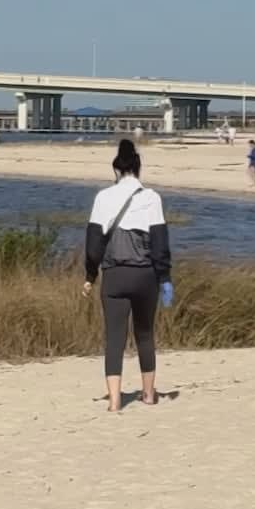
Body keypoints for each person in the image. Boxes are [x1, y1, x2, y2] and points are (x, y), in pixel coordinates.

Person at [82, 140, 173, 412]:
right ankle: (147, 394)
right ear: (138, 168)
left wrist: (90, 275)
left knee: (114, 338)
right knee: (144, 335)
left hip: (114, 276)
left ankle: (114, 400)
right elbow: (160, 244)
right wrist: (165, 278)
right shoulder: (151, 198)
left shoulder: (102, 198)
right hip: (145, 276)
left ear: (117, 170)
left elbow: (93, 245)